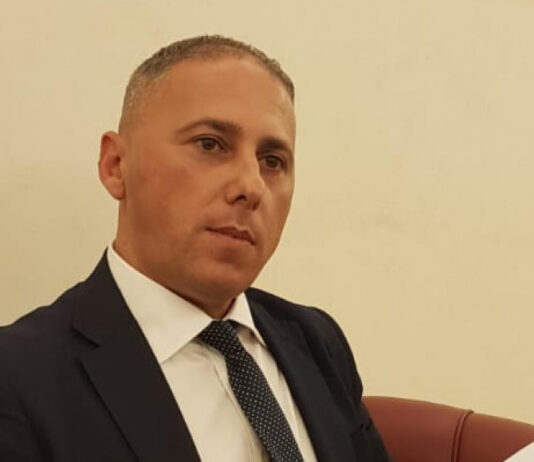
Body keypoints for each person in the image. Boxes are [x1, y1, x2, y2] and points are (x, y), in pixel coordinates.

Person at [0, 36, 391, 462]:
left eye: (272, 161)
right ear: (115, 166)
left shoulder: (317, 341)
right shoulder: (20, 378)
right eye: (210, 144)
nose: (251, 186)